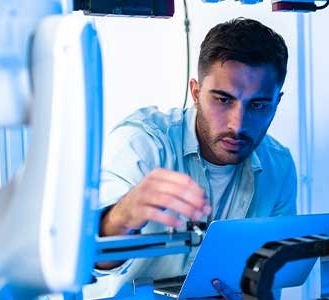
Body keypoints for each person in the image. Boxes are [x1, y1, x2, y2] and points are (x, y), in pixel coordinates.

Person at [84, 17, 297, 298]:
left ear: (276, 103)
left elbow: (271, 279)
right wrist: (122, 216)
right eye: (223, 100)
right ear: (196, 93)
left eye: (258, 105)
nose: (238, 124)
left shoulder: (278, 166)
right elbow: (89, 262)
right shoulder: (143, 145)